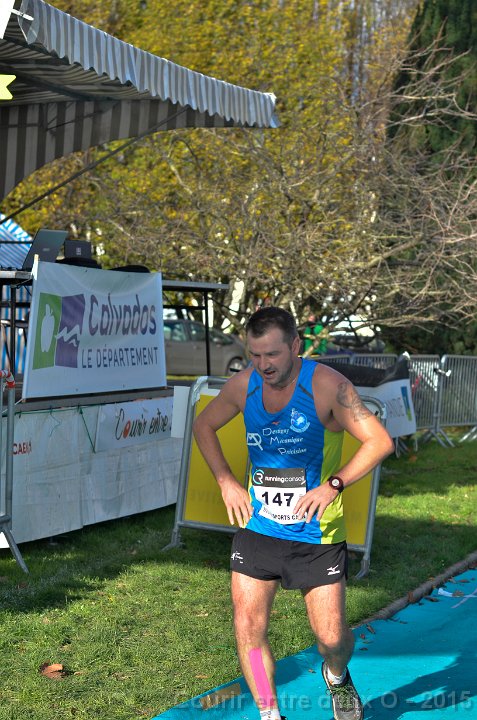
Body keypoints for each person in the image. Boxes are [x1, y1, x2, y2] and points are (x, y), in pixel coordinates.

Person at [193, 307, 394, 720]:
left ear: (296, 346)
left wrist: (333, 484)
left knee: (332, 639)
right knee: (248, 628)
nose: (263, 365)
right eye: (255, 355)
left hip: (316, 535)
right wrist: (226, 480)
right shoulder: (244, 385)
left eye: (273, 354)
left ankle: (337, 676)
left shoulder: (329, 387)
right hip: (259, 527)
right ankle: (270, 713)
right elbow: (203, 426)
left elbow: (379, 441)